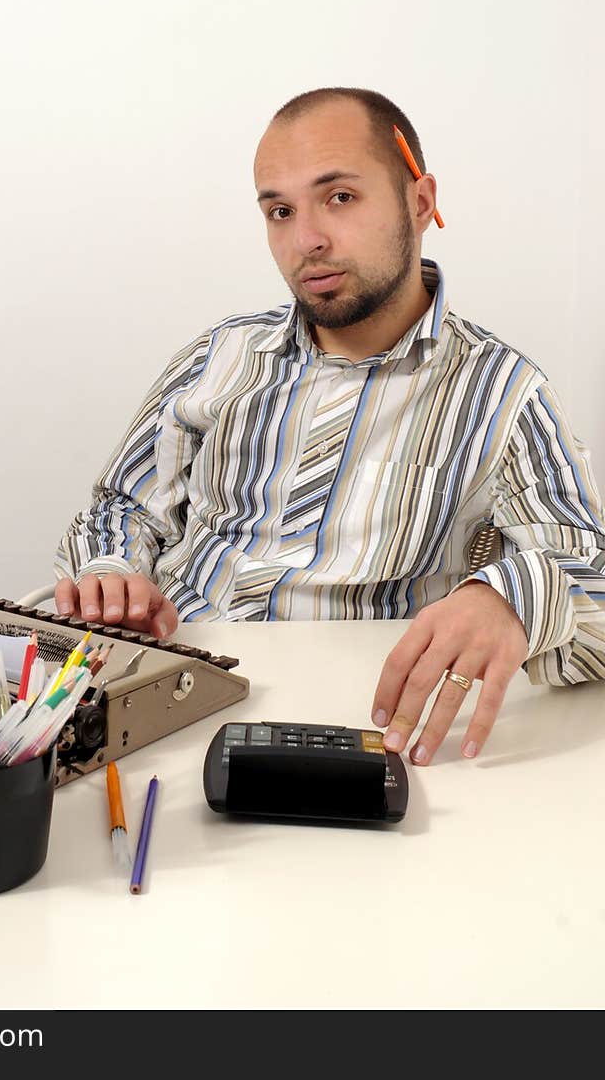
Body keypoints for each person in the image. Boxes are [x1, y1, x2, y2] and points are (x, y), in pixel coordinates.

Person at [53, 87, 605, 766]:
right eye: (279, 211)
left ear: (421, 201)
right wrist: (113, 571)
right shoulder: (217, 356)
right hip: (168, 699)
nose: (305, 241)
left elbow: (594, 584)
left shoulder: (504, 392)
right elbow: (123, 506)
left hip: (353, 729)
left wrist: (512, 597)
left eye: (339, 197)